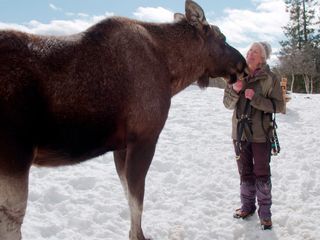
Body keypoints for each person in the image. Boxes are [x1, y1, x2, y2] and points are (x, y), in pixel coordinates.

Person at [223, 42, 284, 230]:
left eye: (255, 52)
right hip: (239, 134)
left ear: (262, 58)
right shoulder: (236, 75)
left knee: (262, 174)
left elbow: (279, 106)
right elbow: (227, 103)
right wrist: (235, 90)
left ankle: (265, 214)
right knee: (245, 173)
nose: (250, 53)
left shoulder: (270, 79)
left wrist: (255, 99)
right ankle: (247, 207)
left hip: (261, 135)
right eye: (249, 50)